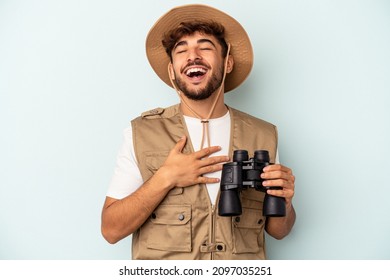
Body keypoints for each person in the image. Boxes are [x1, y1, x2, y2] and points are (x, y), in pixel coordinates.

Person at [101, 4, 296, 260]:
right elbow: (111, 230)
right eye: (181, 50)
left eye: (205, 47)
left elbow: (279, 231)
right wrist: (166, 177)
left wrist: (287, 201)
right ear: (172, 70)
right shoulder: (141, 132)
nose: (193, 56)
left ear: (227, 63)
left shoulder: (263, 135)